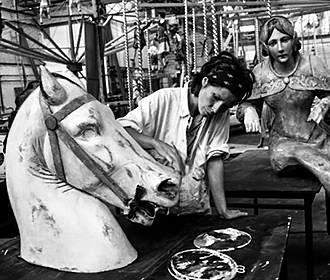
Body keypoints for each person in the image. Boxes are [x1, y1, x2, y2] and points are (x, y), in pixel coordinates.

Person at [118, 51, 254, 219]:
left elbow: (214, 160)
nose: (216, 109)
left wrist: (223, 211)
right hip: (155, 209)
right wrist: (155, 143)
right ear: (205, 82)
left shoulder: (221, 116)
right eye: (215, 97)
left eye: (225, 106)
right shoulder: (164, 99)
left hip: (195, 207)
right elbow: (120, 130)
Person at [236, 16, 330, 195]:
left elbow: (328, 95)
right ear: (265, 47)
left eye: (284, 40)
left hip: (316, 137)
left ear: (294, 40)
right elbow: (244, 104)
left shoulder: (312, 64)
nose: (279, 48)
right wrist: (248, 110)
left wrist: (324, 104)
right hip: (283, 143)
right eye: (273, 43)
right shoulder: (261, 74)